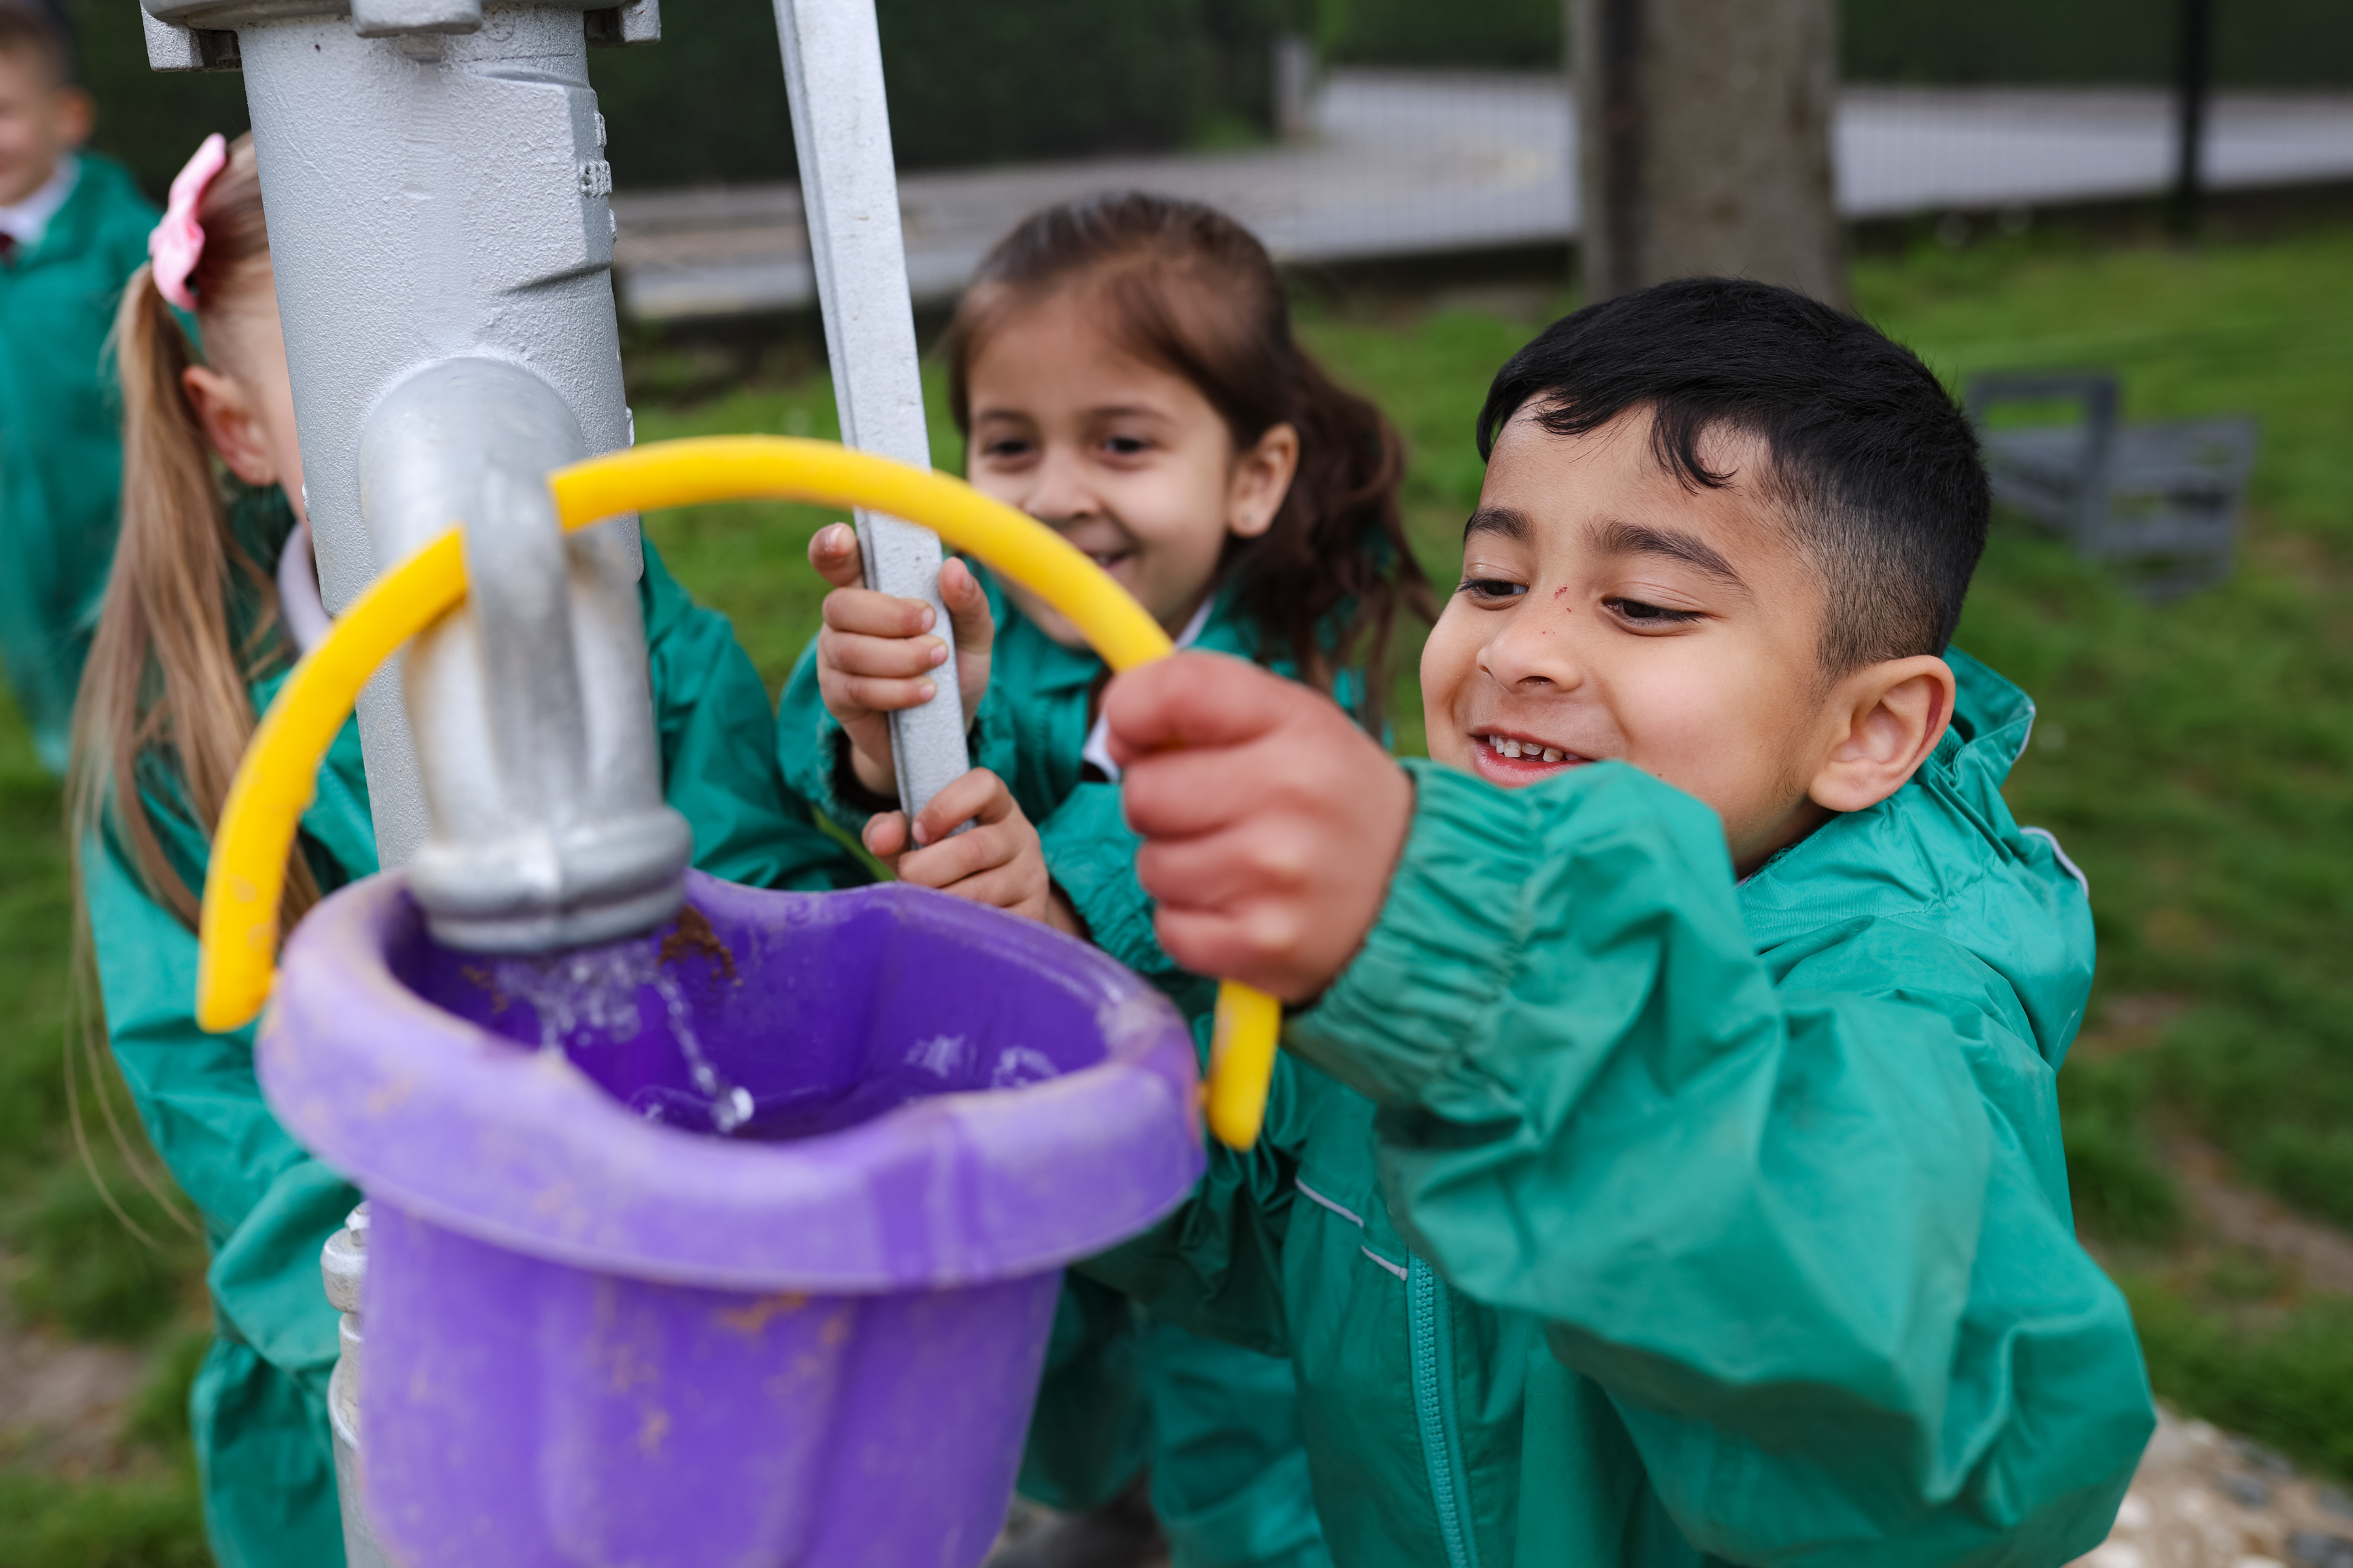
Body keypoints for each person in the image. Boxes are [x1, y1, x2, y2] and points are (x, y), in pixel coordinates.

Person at [1068, 278, 2157, 1566]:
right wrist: (1056, 980)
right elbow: (1263, 1235)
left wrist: (1464, 962)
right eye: (1491, 576)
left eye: (1641, 603)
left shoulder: (1897, 1009)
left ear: (1867, 730)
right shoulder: (1406, 969)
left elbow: (1958, 1446)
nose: (1519, 648)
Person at [68, 134, 1041, 1568]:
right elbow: (229, 1109)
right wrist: (454, 1306)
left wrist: (888, 794)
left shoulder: (646, 652)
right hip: (397, 1411)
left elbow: (771, 910)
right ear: (240, 432)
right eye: (352, 398)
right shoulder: (185, 770)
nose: (454, 467)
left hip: (713, 1345)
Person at [780, 192, 1433, 1568]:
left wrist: (1063, 897)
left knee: (1251, 1448)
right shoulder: (994, 631)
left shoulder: (1294, 654)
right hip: (1050, 1177)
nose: (1058, 493)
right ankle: (1096, 1492)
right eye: (1008, 445)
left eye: (1121, 443)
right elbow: (908, 783)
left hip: (1241, 1176)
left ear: (1251, 478)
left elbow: (1215, 809)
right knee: (1063, 1419)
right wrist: (883, 716)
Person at [0, 0, 158, 771]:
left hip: (129, 531)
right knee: (74, 736)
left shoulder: (122, 239)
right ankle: (100, 818)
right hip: (19, 557)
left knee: (161, 707)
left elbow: (186, 357)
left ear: (67, 117)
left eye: (2, 112)